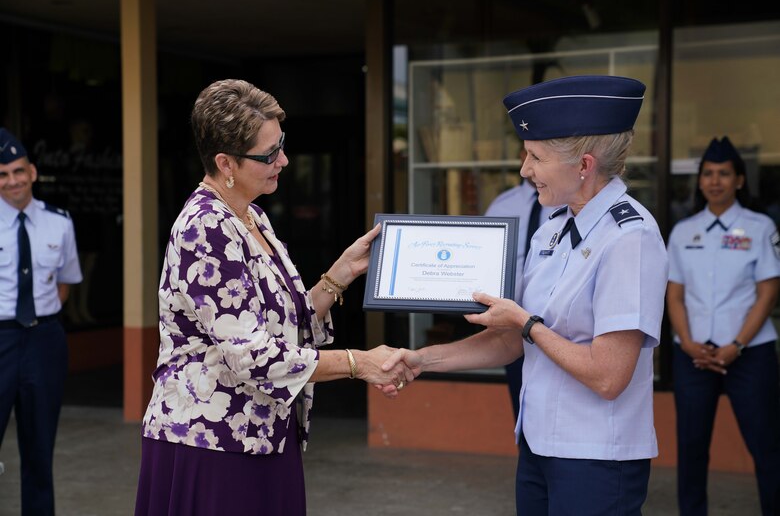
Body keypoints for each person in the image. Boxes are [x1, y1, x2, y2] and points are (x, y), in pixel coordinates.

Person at [383, 75, 668, 515]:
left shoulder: (630, 237)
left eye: (535, 156)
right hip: (539, 444)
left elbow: (609, 376)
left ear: (584, 165)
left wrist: (526, 322)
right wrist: (424, 359)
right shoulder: (553, 230)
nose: (524, 170)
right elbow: (510, 339)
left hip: (595, 456)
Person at [134, 79, 412, 516]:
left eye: (281, 145)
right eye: (269, 155)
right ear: (225, 162)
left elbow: (285, 323)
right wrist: (360, 364)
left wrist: (341, 273)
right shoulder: (205, 228)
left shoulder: (252, 216)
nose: (283, 160)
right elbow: (254, 355)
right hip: (212, 440)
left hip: (260, 433)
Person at [666, 136, 780, 516]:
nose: (715, 181)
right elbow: (675, 295)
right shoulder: (683, 231)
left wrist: (738, 345)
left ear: (740, 181)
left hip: (751, 353)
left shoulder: (760, 227)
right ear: (699, 182)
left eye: (724, 174)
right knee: (692, 447)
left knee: (766, 446)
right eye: (709, 174)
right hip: (694, 355)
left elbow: (768, 293)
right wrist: (686, 343)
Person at [0, 127, 83, 515]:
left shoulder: (59, 222)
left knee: (38, 450)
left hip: (43, 340)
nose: (12, 180)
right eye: (3, 175)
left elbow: (65, 285)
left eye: (18, 171)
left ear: (32, 172)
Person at [484, 142, 557, 421]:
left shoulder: (567, 204)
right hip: (510, 328)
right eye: (526, 155)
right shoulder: (503, 205)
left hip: (556, 327)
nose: (529, 164)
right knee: (522, 410)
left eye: (537, 156)